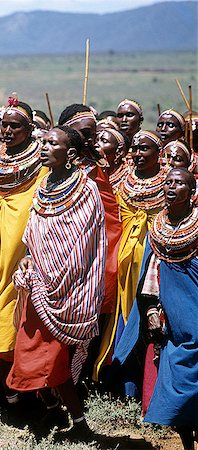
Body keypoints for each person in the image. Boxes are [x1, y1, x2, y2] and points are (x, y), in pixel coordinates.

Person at [7, 126, 106, 436]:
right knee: (31, 354)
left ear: (71, 154)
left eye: (52, 143)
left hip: (70, 289)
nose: (44, 147)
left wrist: (56, 273)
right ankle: (56, 414)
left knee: (54, 360)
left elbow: (83, 243)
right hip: (40, 285)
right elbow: (34, 230)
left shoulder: (86, 191)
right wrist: (29, 257)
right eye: (44, 142)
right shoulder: (44, 186)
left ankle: (76, 423)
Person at [0, 95, 47, 404]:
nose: (8, 131)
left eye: (16, 126)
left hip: (26, 258)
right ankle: (10, 392)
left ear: (30, 129)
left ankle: (35, 393)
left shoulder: (41, 165)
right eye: (4, 125)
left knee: (21, 323)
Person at [113, 168, 197, 450]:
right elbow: (151, 276)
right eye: (169, 182)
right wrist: (151, 312)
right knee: (177, 375)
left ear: (192, 193)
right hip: (173, 320)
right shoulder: (157, 231)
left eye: (180, 183)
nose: (172, 187)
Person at [96, 130, 170, 393]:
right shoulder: (124, 182)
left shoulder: (168, 183)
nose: (138, 154)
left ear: (159, 153)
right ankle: (126, 386)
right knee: (124, 317)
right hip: (125, 262)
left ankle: (153, 389)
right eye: (135, 149)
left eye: (145, 149)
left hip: (157, 265)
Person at [59, 105, 122, 372]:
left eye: (94, 133)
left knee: (94, 312)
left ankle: (83, 377)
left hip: (100, 249)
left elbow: (109, 215)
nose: (92, 139)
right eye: (85, 133)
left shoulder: (96, 168)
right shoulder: (55, 168)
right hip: (64, 251)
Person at [95, 128, 130, 193]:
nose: (96, 144)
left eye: (104, 141)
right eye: (96, 141)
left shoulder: (129, 176)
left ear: (119, 151)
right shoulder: (89, 172)